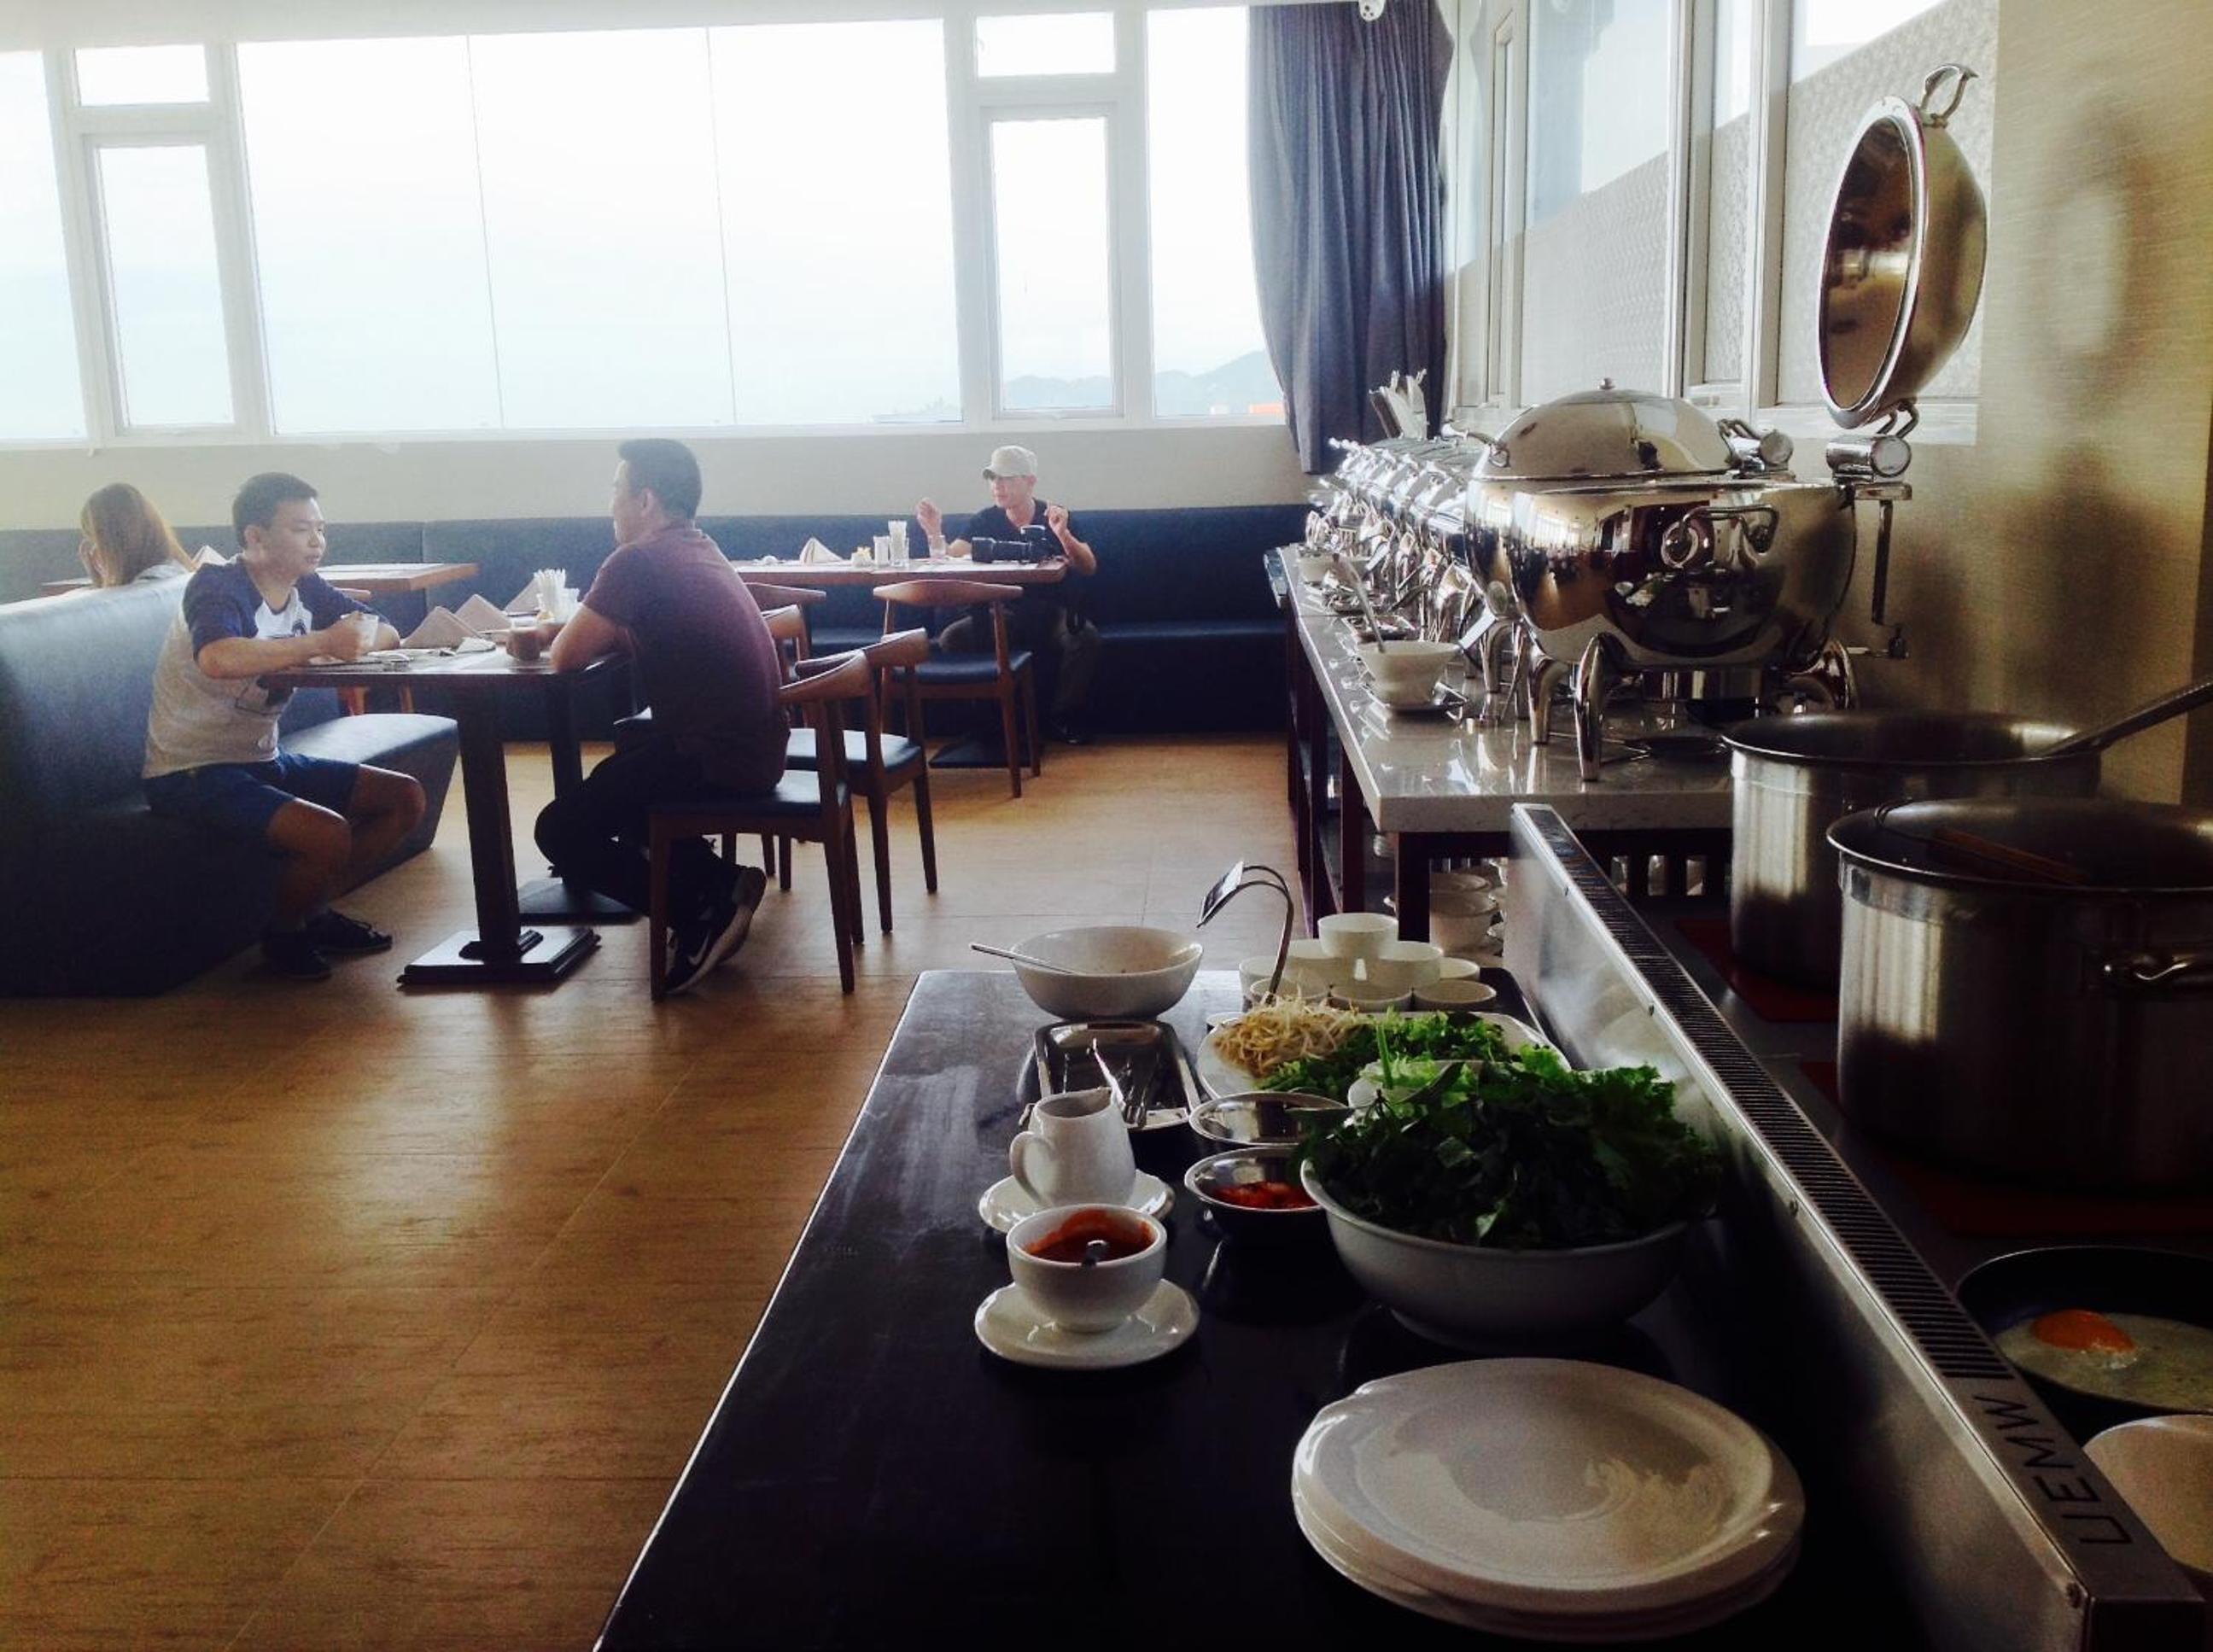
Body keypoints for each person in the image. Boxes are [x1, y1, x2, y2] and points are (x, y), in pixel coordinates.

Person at [141, 472, 425, 981]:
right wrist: (320, 643)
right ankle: (285, 932)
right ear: (255, 537)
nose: (317, 541)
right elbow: (218, 657)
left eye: (320, 529)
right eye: (300, 529)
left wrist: (354, 639)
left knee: (405, 798)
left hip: (261, 758)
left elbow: (385, 630)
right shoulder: (218, 585)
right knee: (328, 835)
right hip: (191, 771)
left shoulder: (305, 587)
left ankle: (313, 910)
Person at [534, 439, 786, 996]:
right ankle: (722, 882)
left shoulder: (637, 560)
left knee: (560, 829)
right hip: (753, 746)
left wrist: (555, 633)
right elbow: (648, 630)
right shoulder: (697, 547)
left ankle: (700, 910)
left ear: (645, 499)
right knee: (618, 781)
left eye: (615, 491)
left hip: (715, 756)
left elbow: (565, 656)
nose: (610, 506)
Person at [916, 444, 1103, 744]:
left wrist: (1063, 535)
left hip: (1051, 611)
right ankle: (989, 721)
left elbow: (1089, 566)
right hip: (1002, 613)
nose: (997, 486)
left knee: (1085, 638)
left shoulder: (1054, 515)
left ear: (1030, 482)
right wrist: (934, 531)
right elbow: (950, 560)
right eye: (993, 478)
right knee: (952, 638)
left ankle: (1061, 717)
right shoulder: (984, 520)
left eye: (1006, 478)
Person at [79, 482, 194, 587]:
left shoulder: (137, 591)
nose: (95, 551)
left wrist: (98, 579)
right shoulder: (176, 570)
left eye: (95, 541)